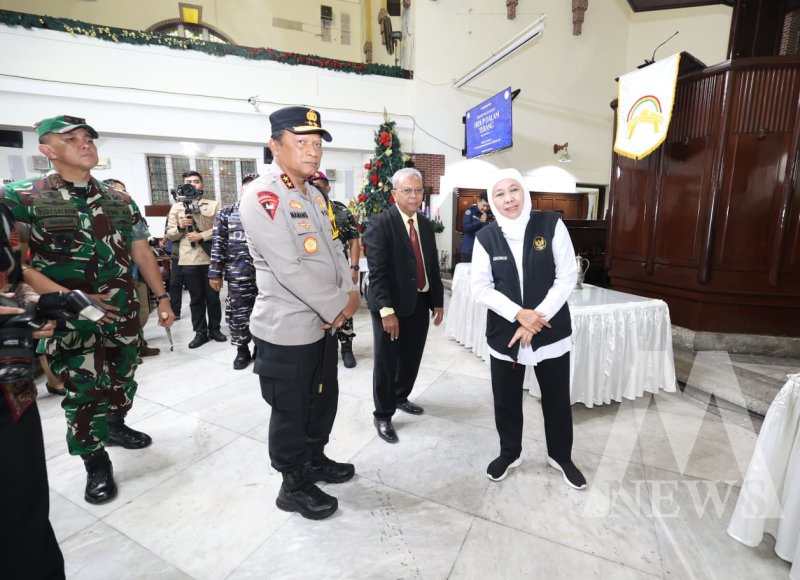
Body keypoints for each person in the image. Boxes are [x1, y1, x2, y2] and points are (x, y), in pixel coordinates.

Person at [0, 115, 176, 504]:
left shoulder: (118, 199)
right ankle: (95, 461)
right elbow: (18, 264)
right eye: (71, 139)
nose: (85, 144)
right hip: (70, 316)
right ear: (47, 150)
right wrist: (69, 298)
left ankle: (114, 424)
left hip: (121, 310)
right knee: (83, 389)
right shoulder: (20, 198)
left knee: (123, 376)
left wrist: (162, 298)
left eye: (88, 138)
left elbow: (141, 251)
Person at [239, 106, 360, 520]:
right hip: (288, 328)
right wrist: (338, 307)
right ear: (275, 146)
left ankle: (314, 459)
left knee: (321, 398)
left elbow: (336, 249)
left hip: (324, 323)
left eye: (317, 144)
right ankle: (292, 484)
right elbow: (288, 267)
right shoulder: (263, 197)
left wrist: (348, 293)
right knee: (291, 410)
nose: (313, 151)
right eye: (301, 142)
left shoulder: (313, 194)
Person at [470, 169, 586, 489]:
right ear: (492, 200)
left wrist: (537, 317)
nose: (508, 199)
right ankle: (509, 453)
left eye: (514, 190)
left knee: (556, 398)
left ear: (525, 192)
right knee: (506, 399)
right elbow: (480, 288)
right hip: (506, 333)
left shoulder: (551, 225)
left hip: (550, 329)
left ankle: (561, 456)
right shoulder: (486, 237)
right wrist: (519, 315)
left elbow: (567, 276)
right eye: (499, 194)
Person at [0, 203, 65, 580]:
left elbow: (12, 277)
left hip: (13, 390)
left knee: (26, 507)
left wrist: (31, 305)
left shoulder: (3, 211)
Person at [364, 167, 444, 444]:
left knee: (411, 357)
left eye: (418, 190)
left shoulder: (424, 224)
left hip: (419, 301)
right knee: (387, 362)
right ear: (394, 193)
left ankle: (400, 397)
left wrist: (437, 301)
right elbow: (377, 273)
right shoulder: (380, 224)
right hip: (391, 306)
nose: (413, 196)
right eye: (407, 190)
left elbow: (431, 265)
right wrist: (386, 311)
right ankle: (383, 414)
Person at [165, 171, 225, 348]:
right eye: (188, 181)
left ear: (202, 185)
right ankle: (200, 332)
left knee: (213, 298)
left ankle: (215, 329)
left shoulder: (213, 204)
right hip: (189, 259)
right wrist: (180, 227)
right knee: (196, 298)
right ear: (183, 186)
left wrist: (202, 235)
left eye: (196, 181)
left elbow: (221, 228)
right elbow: (170, 234)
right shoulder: (176, 207)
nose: (192, 184)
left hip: (210, 257)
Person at [309, 170, 361, 369]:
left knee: (345, 304)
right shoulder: (304, 210)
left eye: (320, 185)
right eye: (313, 185)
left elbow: (354, 240)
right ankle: (322, 347)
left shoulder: (340, 210)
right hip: (315, 272)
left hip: (340, 270)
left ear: (328, 187)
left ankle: (346, 348)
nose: (317, 188)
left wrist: (354, 267)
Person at [104, 178, 160, 359]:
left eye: (123, 190)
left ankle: (139, 342)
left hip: (137, 271)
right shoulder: (98, 217)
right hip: (112, 277)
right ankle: (128, 347)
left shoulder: (129, 211)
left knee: (142, 311)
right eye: (116, 190)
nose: (121, 194)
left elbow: (142, 247)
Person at [209, 173, 259, 369]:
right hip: (239, 275)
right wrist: (215, 273)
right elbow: (218, 244)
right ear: (242, 189)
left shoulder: (270, 212)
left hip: (267, 276)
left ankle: (261, 349)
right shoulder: (227, 213)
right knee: (239, 315)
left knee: (265, 314)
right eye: (248, 187)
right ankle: (242, 350)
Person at [459, 194, 491, 262]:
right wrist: (480, 222)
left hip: (483, 251)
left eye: (488, 206)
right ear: (478, 201)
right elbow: (466, 228)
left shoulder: (489, 215)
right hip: (469, 250)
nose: (485, 208)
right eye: (484, 205)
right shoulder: (470, 212)